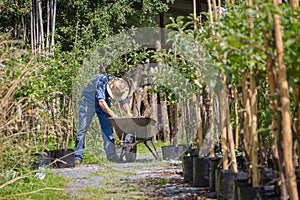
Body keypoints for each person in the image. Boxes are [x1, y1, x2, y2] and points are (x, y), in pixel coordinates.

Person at [74, 73, 132, 164]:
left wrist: (128, 113)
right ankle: (78, 156)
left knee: (107, 128)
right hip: (87, 102)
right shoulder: (101, 82)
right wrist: (113, 115)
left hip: (103, 101)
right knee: (82, 129)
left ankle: (111, 156)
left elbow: (123, 100)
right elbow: (101, 102)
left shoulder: (118, 84)